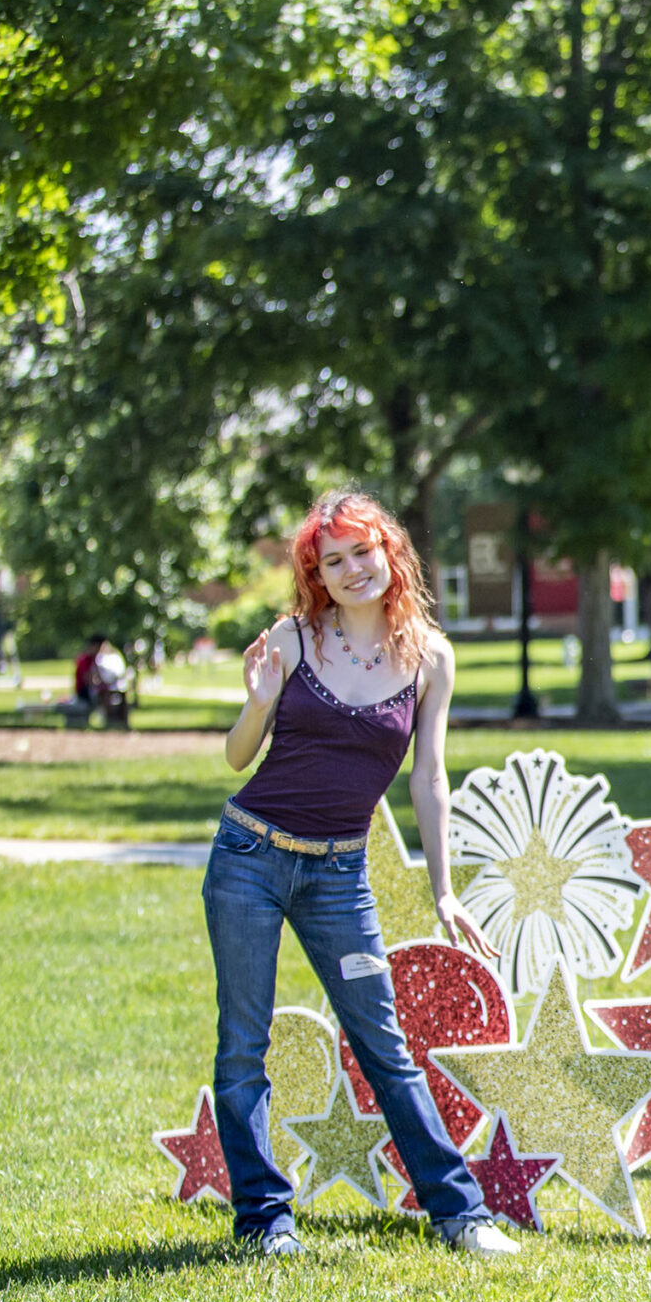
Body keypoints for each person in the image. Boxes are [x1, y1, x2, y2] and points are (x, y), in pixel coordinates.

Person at [212, 489, 520, 1258]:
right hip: (249, 856)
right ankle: (265, 1220)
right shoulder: (294, 637)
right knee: (244, 1044)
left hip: (340, 875)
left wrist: (443, 888)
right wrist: (258, 701)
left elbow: (430, 778)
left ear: (391, 552)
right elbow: (237, 755)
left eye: (362, 552)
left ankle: (461, 1214)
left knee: (383, 1043)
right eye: (332, 560)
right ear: (316, 573)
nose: (352, 569)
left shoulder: (430, 657)